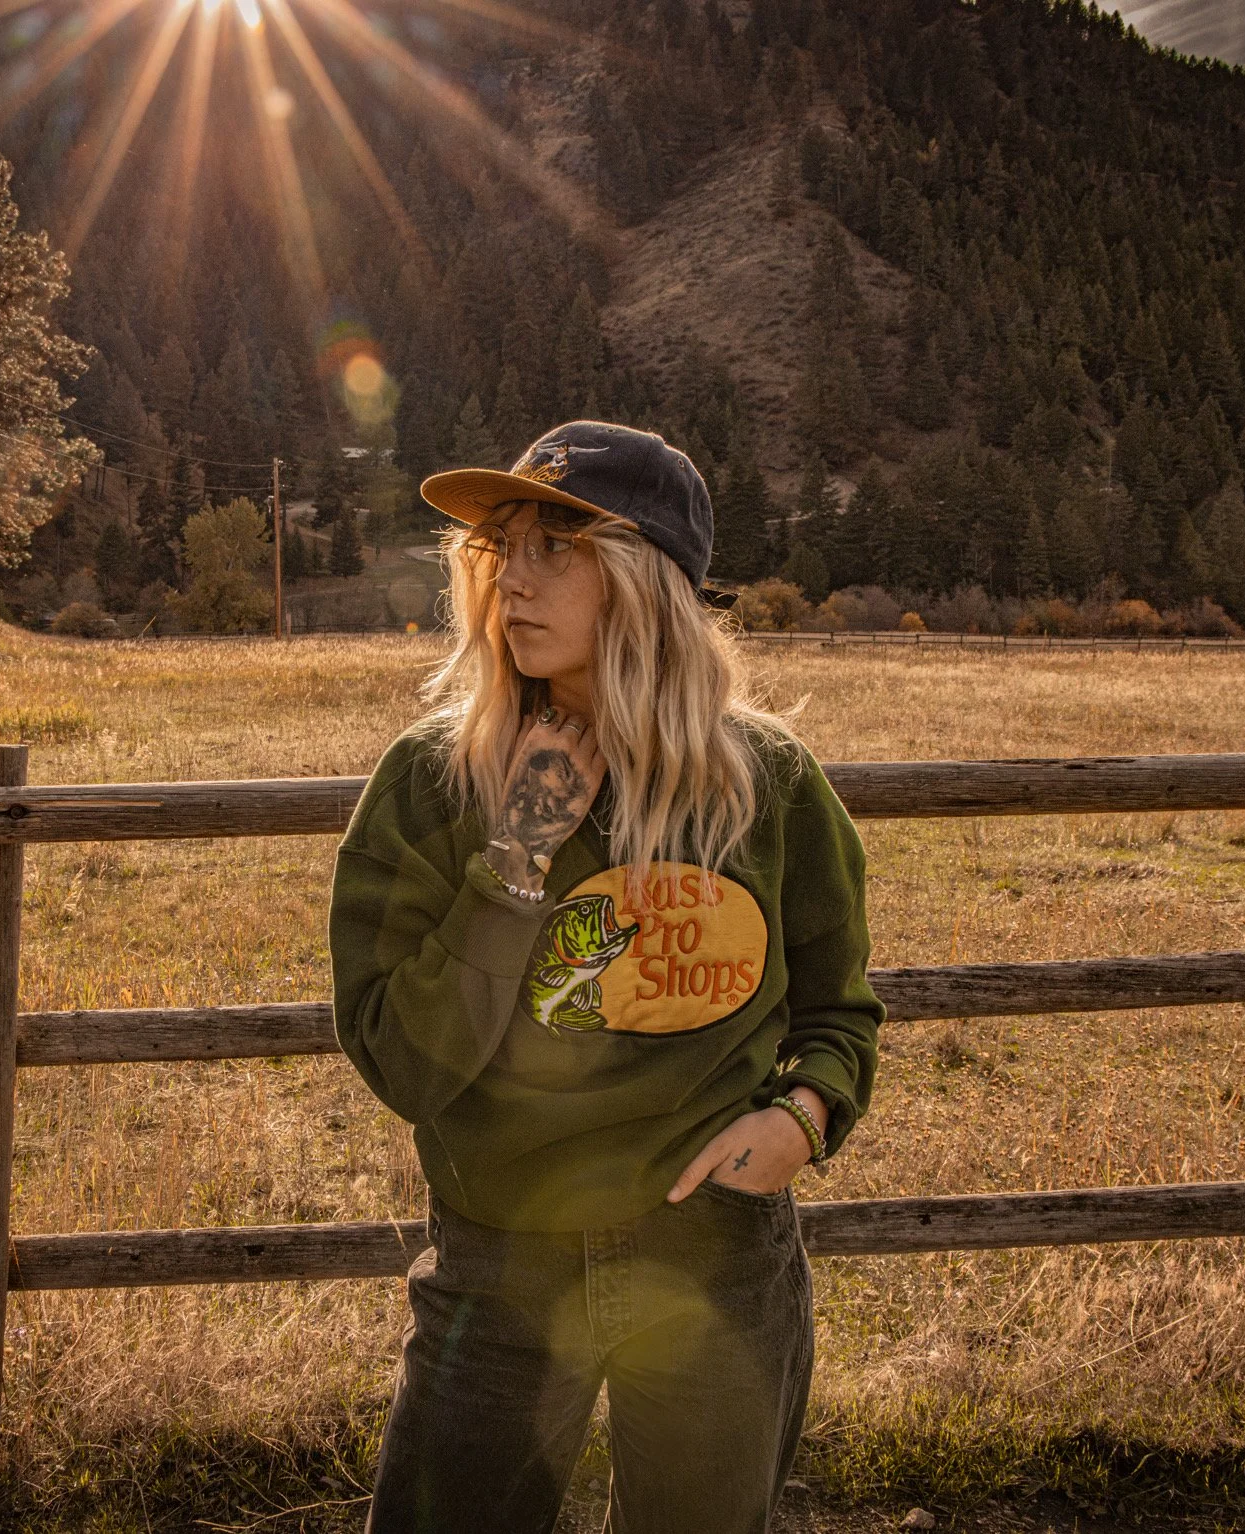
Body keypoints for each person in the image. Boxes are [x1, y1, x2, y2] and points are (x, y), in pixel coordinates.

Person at [325, 420, 885, 1533]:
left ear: (644, 580)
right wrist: (516, 856)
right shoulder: (436, 782)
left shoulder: (763, 783)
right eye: (502, 547)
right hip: (502, 1267)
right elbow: (400, 1058)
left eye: (557, 548)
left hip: (716, 1256)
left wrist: (806, 1115)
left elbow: (838, 1009)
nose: (513, 582)